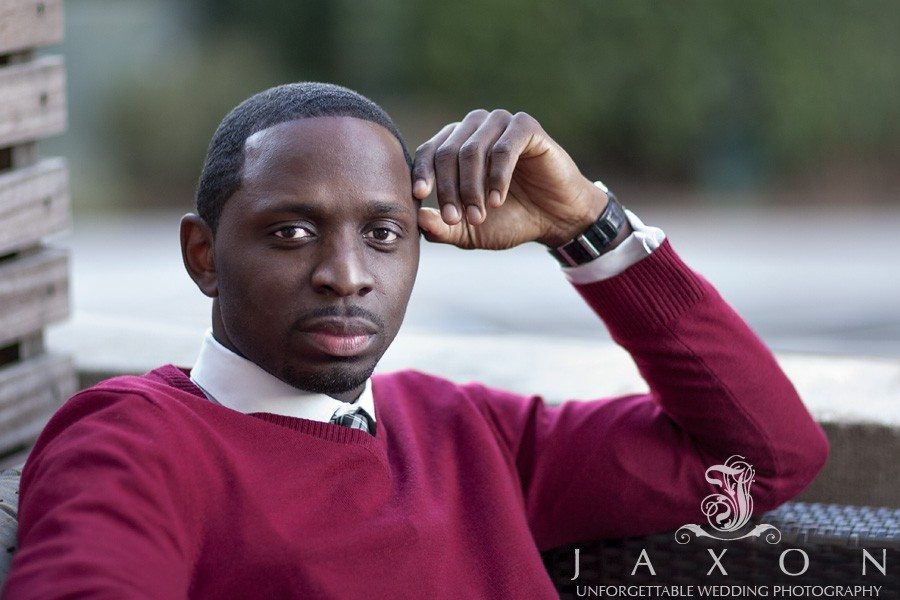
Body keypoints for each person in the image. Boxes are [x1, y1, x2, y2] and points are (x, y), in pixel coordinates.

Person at [2, 82, 828, 598]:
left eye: (385, 234)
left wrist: (588, 226)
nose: (347, 275)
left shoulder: (467, 434)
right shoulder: (134, 440)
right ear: (204, 255)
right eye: (292, 233)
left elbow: (766, 459)